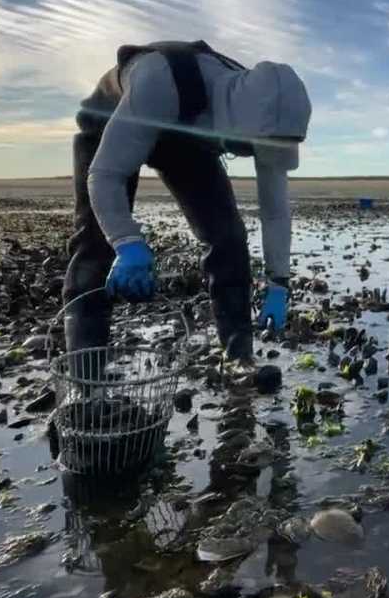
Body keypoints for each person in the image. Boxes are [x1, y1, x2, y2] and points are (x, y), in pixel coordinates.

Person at [62, 40, 311, 363]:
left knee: (228, 237)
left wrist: (279, 283)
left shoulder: (273, 117)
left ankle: (239, 358)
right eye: (250, 147)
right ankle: (83, 377)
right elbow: (105, 175)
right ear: (235, 124)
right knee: (95, 243)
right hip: (113, 119)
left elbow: (275, 212)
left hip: (188, 138)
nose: (254, 155)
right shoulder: (161, 80)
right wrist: (127, 242)